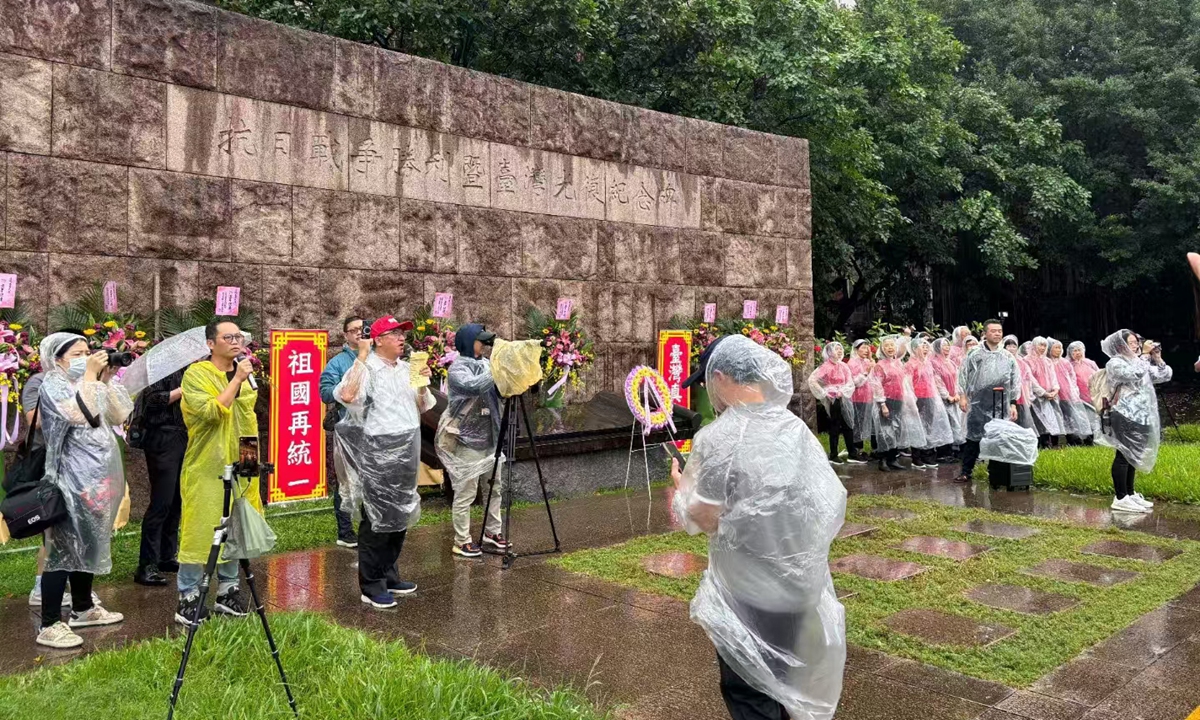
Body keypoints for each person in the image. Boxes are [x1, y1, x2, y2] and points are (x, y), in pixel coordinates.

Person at [672, 334, 846, 720]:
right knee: (782, 681)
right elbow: (826, 502)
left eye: (705, 383)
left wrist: (680, 490)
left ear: (720, 377)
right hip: (799, 590)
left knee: (750, 692)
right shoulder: (794, 429)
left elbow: (705, 517)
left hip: (749, 594)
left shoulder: (720, 438)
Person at [34, 332, 130, 648]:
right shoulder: (53, 384)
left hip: (97, 480)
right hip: (67, 481)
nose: (86, 357)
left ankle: (83, 608)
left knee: (87, 542)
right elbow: (80, 414)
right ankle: (49, 624)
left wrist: (107, 378)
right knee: (62, 549)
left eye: (88, 351)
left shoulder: (91, 381)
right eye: (78, 353)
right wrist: (90, 375)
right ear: (57, 358)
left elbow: (118, 415)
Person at [335, 316, 434, 610]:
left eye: (403, 334)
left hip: (407, 447)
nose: (402, 339)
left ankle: (390, 574)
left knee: (400, 514)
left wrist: (421, 384)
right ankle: (371, 583)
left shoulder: (407, 369)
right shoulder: (367, 368)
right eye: (394, 334)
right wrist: (362, 356)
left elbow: (423, 406)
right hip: (378, 449)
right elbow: (348, 395)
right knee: (377, 518)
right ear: (378, 340)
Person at [176, 319, 260, 626]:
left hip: (240, 459)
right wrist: (236, 379)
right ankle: (188, 596)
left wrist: (251, 464)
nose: (236, 341)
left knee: (235, 527)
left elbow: (246, 418)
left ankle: (228, 590)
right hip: (207, 464)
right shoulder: (196, 374)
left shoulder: (245, 373)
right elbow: (212, 413)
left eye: (239, 336)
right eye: (228, 337)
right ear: (211, 343)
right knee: (201, 528)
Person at [435, 323, 510, 557]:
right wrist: (499, 367)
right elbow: (474, 386)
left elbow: (500, 390)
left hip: (491, 438)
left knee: (496, 487)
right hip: (466, 440)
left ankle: (492, 531)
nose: (485, 345)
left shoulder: (486, 364)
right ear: (469, 342)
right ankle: (462, 539)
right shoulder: (458, 369)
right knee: (466, 493)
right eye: (481, 340)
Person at [1098, 329, 1172, 513]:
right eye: (1132, 342)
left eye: (1137, 342)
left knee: (1134, 455)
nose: (1137, 345)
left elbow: (1164, 375)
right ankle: (1120, 497)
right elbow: (1136, 373)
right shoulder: (1114, 363)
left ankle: (1130, 494)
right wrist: (1146, 356)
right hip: (1123, 414)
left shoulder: (1139, 361)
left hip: (1141, 415)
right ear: (1120, 345)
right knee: (1123, 455)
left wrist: (1157, 357)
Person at [133, 368, 186, 587]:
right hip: (161, 438)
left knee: (176, 500)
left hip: (183, 436)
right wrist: (181, 391)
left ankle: (167, 556)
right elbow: (151, 401)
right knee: (161, 501)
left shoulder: (191, 370)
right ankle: (146, 564)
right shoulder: (159, 371)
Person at [954, 320, 1019, 484]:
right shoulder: (974, 353)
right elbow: (963, 375)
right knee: (974, 436)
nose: (997, 334)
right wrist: (962, 396)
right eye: (993, 331)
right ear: (985, 333)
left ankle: (995, 472)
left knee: (998, 436)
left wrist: (1013, 403)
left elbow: (1015, 380)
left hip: (1000, 399)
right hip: (978, 400)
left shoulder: (1007, 356)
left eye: (1000, 331)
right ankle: (966, 471)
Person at [318, 316, 364, 549]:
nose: (358, 333)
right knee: (346, 481)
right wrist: (346, 389)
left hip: (375, 431)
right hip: (348, 431)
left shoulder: (377, 359)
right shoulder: (338, 362)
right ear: (345, 335)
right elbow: (325, 392)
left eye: (362, 329)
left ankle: (369, 525)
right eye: (353, 330)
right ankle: (345, 531)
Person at [870, 334, 925, 471]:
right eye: (886, 345)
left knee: (896, 429)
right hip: (885, 401)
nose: (890, 348)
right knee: (885, 431)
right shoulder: (879, 365)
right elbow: (877, 385)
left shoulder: (898, 363)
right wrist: (882, 404)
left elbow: (904, 382)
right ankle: (882, 460)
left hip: (898, 400)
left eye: (892, 345)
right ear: (882, 349)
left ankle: (892, 458)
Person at [807, 342, 856, 465]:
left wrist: (843, 391)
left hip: (844, 397)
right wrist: (825, 392)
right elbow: (813, 380)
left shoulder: (844, 366)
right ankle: (833, 454)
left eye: (840, 349)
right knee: (835, 425)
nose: (839, 351)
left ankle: (852, 452)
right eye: (836, 349)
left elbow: (850, 381)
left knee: (848, 424)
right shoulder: (825, 366)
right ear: (829, 352)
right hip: (833, 399)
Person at [1048, 338, 1089, 445]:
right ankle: (1054, 442)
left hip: (1066, 395)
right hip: (1053, 395)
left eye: (1059, 348)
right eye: (1055, 348)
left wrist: (1073, 391)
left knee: (1070, 418)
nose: (1058, 350)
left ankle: (1073, 440)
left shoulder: (1065, 362)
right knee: (1055, 418)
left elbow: (1072, 378)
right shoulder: (1047, 362)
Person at [1027, 337, 1064, 447]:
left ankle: (1050, 444)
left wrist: (1055, 390)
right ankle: (1039, 444)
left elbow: (1053, 377)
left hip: (1051, 395)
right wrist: (1043, 393)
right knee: (1038, 421)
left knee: (1052, 420)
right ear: (1034, 345)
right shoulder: (1027, 360)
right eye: (1040, 345)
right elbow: (1031, 380)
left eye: (1044, 346)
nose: (1042, 348)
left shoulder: (1047, 361)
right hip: (1035, 396)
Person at [931, 338, 964, 461]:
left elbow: (956, 379)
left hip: (953, 397)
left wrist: (956, 393)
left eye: (947, 345)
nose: (946, 347)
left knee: (953, 424)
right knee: (942, 424)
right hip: (941, 399)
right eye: (943, 345)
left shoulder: (950, 362)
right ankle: (942, 454)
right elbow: (937, 380)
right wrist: (946, 395)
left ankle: (952, 451)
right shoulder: (934, 363)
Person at [846, 340, 875, 463]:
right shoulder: (852, 363)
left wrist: (871, 361)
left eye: (867, 348)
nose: (866, 350)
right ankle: (856, 451)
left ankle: (863, 449)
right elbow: (855, 383)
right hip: (857, 397)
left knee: (865, 424)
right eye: (863, 348)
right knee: (857, 424)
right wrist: (866, 372)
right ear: (856, 349)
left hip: (869, 398)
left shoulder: (868, 362)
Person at [1068, 341, 1100, 443]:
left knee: (1093, 417)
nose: (1078, 353)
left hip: (1092, 395)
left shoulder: (1090, 363)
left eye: (1079, 350)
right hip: (1077, 397)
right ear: (1070, 353)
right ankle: (1081, 439)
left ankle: (1092, 439)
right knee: (1080, 417)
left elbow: (1098, 376)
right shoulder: (1068, 365)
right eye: (1075, 351)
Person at [1005, 335, 1036, 431]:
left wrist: (1029, 396)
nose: (1011, 349)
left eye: (1014, 346)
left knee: (1021, 420)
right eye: (1008, 346)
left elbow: (1029, 380)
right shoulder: (1001, 361)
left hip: (1022, 396)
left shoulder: (1022, 362)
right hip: (1007, 395)